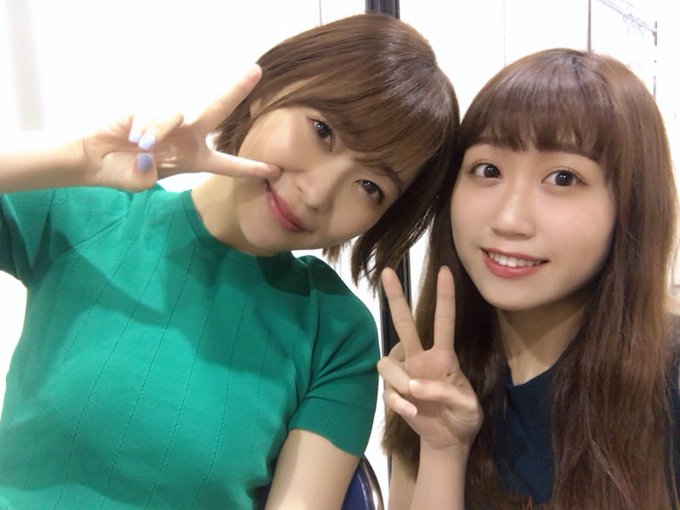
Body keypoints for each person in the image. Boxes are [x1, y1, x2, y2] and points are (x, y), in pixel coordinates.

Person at [0, 13, 459, 509]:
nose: (317, 192)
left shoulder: (335, 334)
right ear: (267, 91)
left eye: (370, 186)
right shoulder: (91, 213)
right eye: (322, 131)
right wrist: (80, 160)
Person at [379, 47, 679, 509]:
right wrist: (443, 450)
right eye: (488, 170)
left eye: (563, 178)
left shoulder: (668, 379)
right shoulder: (428, 363)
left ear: (631, 207)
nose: (510, 219)